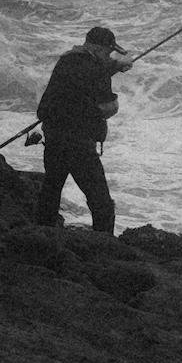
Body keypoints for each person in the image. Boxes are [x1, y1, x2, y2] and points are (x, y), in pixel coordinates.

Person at [29, 25, 132, 234]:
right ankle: (105, 246)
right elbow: (107, 107)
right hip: (79, 145)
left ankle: (43, 236)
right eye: (108, 51)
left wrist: (115, 66)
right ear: (100, 49)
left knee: (51, 192)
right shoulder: (96, 70)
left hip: (55, 139)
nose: (109, 55)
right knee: (101, 202)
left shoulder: (66, 61)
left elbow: (85, 72)